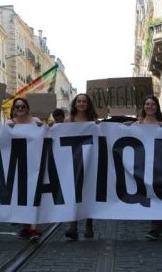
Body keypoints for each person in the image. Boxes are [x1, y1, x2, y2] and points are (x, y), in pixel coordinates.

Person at [128, 96, 162, 241]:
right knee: (149, 193)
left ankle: (154, 228)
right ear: (143, 107)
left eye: (152, 104)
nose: (149, 106)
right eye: (147, 104)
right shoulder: (137, 124)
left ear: (157, 107)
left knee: (156, 193)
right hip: (142, 165)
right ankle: (160, 223)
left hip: (159, 165)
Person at [63, 94, 98, 241]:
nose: (81, 104)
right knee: (73, 192)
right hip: (72, 161)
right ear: (75, 104)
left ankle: (89, 223)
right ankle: (73, 225)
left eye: (84, 101)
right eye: (79, 101)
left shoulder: (94, 122)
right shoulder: (67, 121)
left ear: (88, 104)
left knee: (88, 191)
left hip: (90, 161)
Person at [7, 97, 43, 241]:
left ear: (27, 108)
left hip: (34, 163)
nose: (20, 109)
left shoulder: (36, 121)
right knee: (20, 196)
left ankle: (33, 228)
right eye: (17, 107)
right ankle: (25, 226)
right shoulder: (10, 123)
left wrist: (44, 126)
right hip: (17, 164)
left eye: (22, 107)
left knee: (33, 195)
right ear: (14, 109)